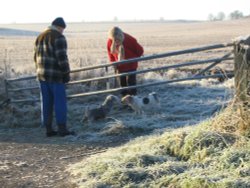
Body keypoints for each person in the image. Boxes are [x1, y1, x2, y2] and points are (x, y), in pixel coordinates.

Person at [34, 17, 74, 137]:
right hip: (56, 76)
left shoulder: (40, 36)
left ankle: (48, 129)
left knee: (46, 103)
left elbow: (35, 57)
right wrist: (66, 73)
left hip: (41, 75)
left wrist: (39, 70)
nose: (62, 32)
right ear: (59, 27)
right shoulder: (58, 37)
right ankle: (62, 129)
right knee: (60, 102)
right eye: (62, 29)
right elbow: (62, 58)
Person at [107, 26, 144, 96]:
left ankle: (133, 101)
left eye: (118, 40)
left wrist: (135, 58)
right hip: (120, 66)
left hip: (131, 65)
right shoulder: (109, 41)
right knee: (122, 86)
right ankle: (125, 101)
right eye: (114, 40)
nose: (116, 42)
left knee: (131, 85)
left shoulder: (129, 39)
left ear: (121, 36)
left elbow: (140, 50)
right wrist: (113, 63)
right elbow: (110, 53)